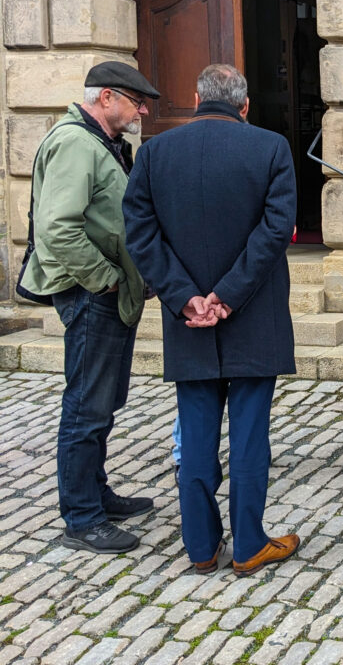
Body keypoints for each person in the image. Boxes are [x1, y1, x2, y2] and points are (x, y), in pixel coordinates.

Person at [123, 64, 300, 577]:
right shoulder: (269, 147)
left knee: (196, 435)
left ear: (197, 97)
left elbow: (139, 232)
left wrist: (186, 298)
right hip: (251, 314)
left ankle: (200, 547)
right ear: (244, 105)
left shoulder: (156, 152)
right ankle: (247, 544)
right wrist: (224, 296)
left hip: (190, 320)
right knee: (249, 436)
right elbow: (276, 230)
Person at [20, 62, 159, 554]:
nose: (142, 111)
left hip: (106, 294)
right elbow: (58, 229)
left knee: (102, 402)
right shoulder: (76, 143)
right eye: (135, 101)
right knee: (86, 407)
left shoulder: (101, 142)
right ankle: (82, 517)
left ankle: (96, 495)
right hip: (90, 295)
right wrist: (106, 281)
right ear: (105, 98)